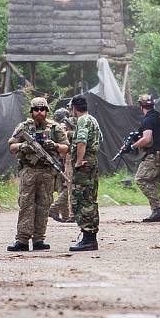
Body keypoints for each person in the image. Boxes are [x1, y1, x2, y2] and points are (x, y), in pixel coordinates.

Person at [7, 96, 69, 252]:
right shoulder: (24, 127)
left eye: (42, 109)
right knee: (26, 205)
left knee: (44, 205)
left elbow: (66, 148)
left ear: (46, 111)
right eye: (36, 109)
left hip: (47, 171)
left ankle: (39, 239)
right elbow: (11, 146)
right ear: (32, 111)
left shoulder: (55, 128)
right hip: (28, 170)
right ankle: (22, 240)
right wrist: (23, 145)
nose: (39, 112)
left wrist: (54, 145)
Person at [69, 94, 101, 251]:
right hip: (92, 162)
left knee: (83, 200)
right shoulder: (93, 120)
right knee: (90, 198)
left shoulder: (82, 120)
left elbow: (81, 141)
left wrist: (78, 161)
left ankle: (88, 239)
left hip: (84, 165)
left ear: (74, 108)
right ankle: (90, 237)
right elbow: (99, 139)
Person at [133, 94, 160, 222]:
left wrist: (134, 146)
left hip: (154, 155)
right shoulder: (158, 116)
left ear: (141, 106)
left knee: (140, 179)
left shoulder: (148, 120)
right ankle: (156, 213)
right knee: (154, 182)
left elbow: (147, 139)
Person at [49, 107, 75, 223]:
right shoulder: (61, 128)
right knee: (67, 188)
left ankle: (65, 215)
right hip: (62, 161)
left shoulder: (52, 127)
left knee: (62, 188)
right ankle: (54, 208)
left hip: (57, 161)